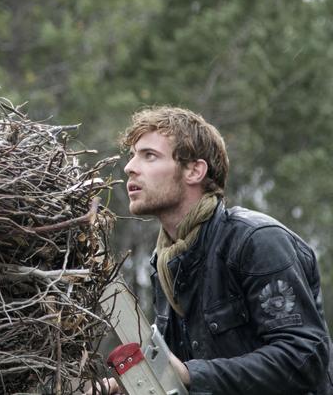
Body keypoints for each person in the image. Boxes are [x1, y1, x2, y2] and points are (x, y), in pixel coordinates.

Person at [97, 106, 333, 394]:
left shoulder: (255, 241)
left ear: (194, 170)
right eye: (132, 155)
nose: (129, 167)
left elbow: (305, 358)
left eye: (149, 155)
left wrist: (187, 373)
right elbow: (180, 370)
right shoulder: (165, 262)